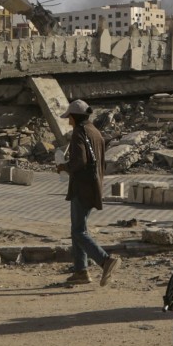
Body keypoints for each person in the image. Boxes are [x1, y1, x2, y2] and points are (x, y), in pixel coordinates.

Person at [56, 99, 121, 286]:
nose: (69, 121)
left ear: (75, 117)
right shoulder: (95, 132)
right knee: (78, 228)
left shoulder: (80, 133)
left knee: (78, 231)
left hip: (82, 187)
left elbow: (80, 161)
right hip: (93, 186)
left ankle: (105, 260)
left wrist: (63, 167)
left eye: (70, 118)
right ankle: (81, 271)